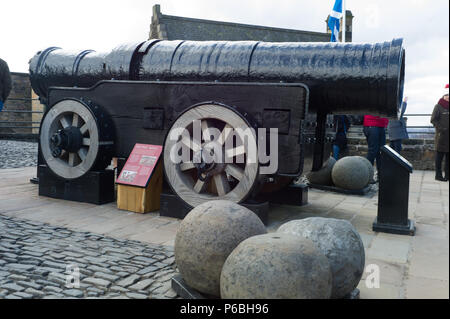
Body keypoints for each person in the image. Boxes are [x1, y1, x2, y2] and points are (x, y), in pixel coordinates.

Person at [430, 84, 449, 182]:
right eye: (447, 95)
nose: (448, 97)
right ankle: (438, 175)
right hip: (441, 136)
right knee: (439, 158)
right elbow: (433, 120)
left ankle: (447, 176)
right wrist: (442, 129)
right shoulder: (438, 106)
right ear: (443, 96)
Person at [363, 114, 389, 179]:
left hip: (381, 125)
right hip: (372, 124)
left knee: (381, 152)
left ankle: (380, 176)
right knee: (373, 151)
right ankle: (367, 176)